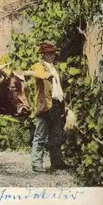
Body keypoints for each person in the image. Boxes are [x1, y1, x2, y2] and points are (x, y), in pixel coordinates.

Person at [28, 41, 71, 172]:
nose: (53, 56)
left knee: (56, 134)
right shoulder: (38, 66)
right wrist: (47, 75)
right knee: (40, 134)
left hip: (56, 104)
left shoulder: (53, 67)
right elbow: (40, 75)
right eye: (50, 54)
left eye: (53, 53)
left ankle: (56, 162)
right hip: (45, 105)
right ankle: (36, 164)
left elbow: (57, 87)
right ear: (44, 55)